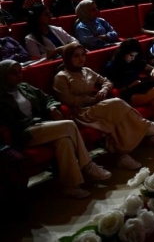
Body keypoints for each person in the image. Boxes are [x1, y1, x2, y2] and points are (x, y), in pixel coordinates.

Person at [0, 60, 112, 198]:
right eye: (13, 73)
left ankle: (70, 185)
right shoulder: (1, 97)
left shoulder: (25, 87)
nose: (19, 76)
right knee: (69, 125)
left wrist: (51, 107)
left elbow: (47, 98)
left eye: (19, 72)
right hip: (23, 133)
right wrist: (36, 120)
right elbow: (10, 122)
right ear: (3, 75)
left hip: (41, 127)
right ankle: (88, 164)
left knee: (64, 141)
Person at [54, 43, 154, 171]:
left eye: (82, 55)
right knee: (116, 103)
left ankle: (122, 155)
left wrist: (103, 90)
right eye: (76, 56)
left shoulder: (87, 71)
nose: (81, 58)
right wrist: (90, 99)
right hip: (80, 111)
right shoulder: (61, 77)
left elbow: (107, 81)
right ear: (68, 58)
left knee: (117, 113)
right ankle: (145, 126)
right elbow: (66, 100)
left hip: (96, 106)